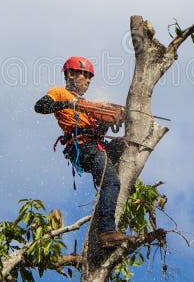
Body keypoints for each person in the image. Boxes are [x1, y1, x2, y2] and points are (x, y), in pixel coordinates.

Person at [34, 56, 129, 248]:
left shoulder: (86, 103)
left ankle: (114, 203)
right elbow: (40, 106)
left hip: (95, 144)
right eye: (84, 76)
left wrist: (108, 120)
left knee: (123, 147)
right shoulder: (60, 93)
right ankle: (107, 231)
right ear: (70, 74)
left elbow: (98, 132)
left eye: (89, 78)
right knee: (111, 182)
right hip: (83, 147)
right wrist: (70, 104)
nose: (87, 81)